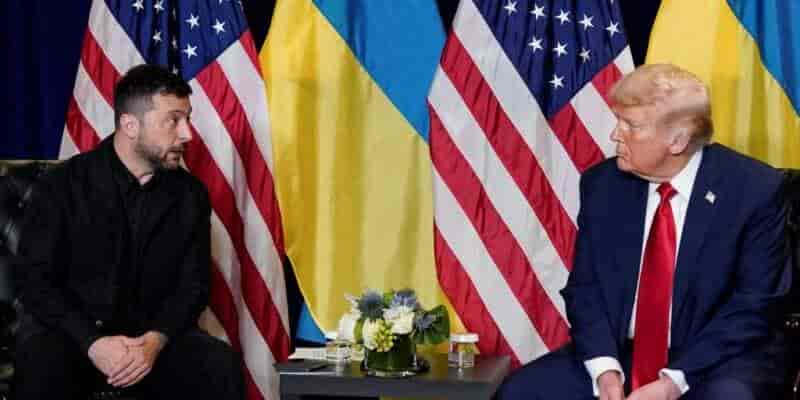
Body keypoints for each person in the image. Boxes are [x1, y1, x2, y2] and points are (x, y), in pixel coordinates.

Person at [497, 64, 790, 400]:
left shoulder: (754, 190)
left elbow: (754, 306)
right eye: (618, 121)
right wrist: (605, 371)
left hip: (719, 357)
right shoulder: (603, 184)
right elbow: (585, 289)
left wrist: (673, 382)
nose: (615, 135)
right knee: (522, 391)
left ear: (677, 140)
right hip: (622, 351)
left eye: (631, 125)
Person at [13, 64, 243, 400]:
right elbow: (34, 281)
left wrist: (155, 341)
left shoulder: (190, 194)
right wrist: (92, 343)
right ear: (130, 124)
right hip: (72, 337)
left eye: (187, 119)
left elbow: (193, 286)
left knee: (218, 365)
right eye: (173, 120)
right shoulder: (61, 186)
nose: (187, 134)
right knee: (41, 366)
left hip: (152, 341)